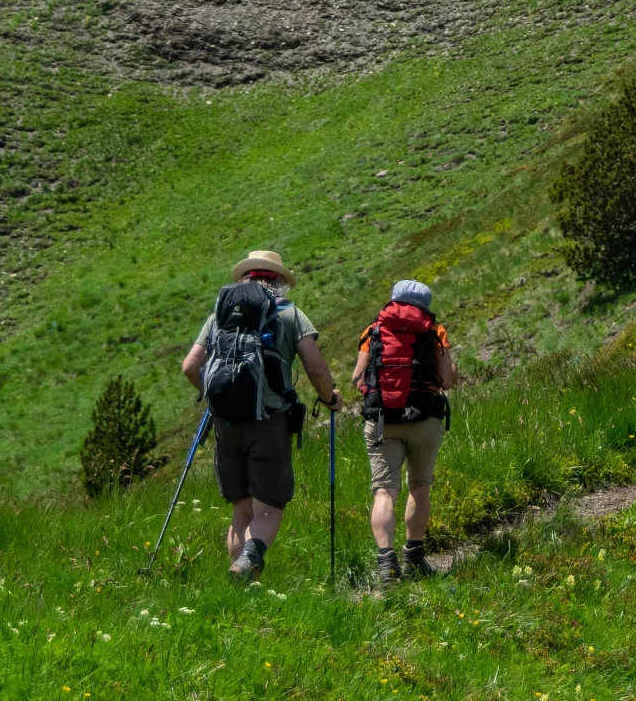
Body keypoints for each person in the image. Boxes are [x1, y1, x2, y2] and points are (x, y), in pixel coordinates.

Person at [181, 250, 340, 583]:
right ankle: (249, 561)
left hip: (225, 422)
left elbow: (190, 366)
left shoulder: (219, 316)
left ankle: (240, 583)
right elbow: (314, 365)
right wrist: (330, 398)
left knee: (241, 507)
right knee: (269, 505)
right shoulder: (289, 313)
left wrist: (216, 398)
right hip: (269, 420)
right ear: (278, 281)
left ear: (244, 278)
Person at [352, 278, 457, 584]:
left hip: (383, 419)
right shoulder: (434, 330)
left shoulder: (373, 330)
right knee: (419, 487)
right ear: (426, 303)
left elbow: (358, 380)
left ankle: (386, 564)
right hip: (425, 418)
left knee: (384, 491)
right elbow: (446, 381)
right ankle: (414, 556)